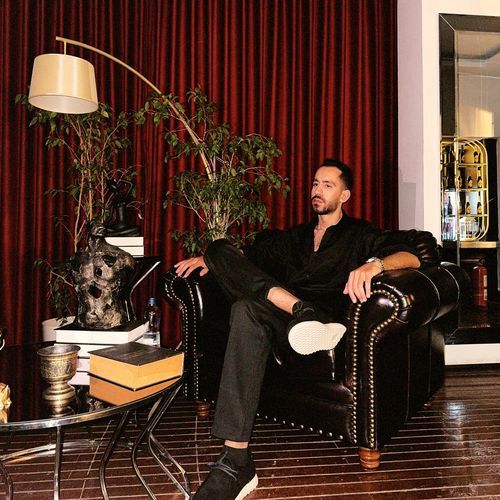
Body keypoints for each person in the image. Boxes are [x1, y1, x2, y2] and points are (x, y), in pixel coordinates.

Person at [175, 159, 421, 500]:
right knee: (220, 252)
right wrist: (213, 260)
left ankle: (235, 462)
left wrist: (374, 265)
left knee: (245, 308)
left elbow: (414, 256)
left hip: (323, 322)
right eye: (315, 184)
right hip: (287, 317)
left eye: (328, 185)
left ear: (345, 195)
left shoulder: (360, 235)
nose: (317, 190)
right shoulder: (294, 238)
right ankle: (298, 307)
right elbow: (243, 257)